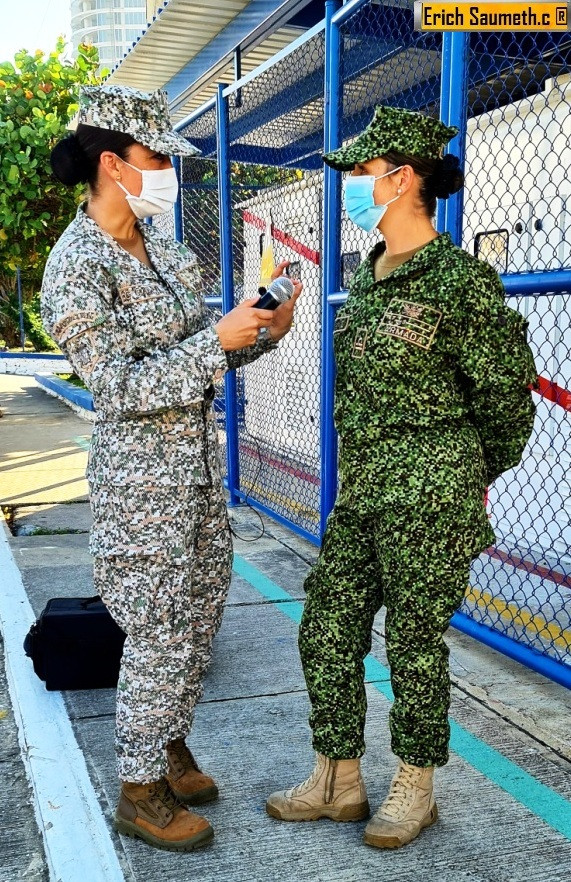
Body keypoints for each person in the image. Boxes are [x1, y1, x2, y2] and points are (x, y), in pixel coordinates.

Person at [266, 105, 537, 848]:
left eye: (359, 172)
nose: (352, 185)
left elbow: (506, 402)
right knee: (326, 629)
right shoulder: (372, 279)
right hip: (363, 491)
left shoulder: (459, 281)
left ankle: (414, 787)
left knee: (415, 643)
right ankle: (336, 780)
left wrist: (455, 474)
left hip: (429, 495)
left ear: (400, 176)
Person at [41, 84, 300, 853]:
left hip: (193, 472)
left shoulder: (161, 247)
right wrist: (217, 341)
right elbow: (118, 389)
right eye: (158, 160)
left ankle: (166, 741)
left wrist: (265, 327)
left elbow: (210, 349)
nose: (168, 175)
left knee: (197, 620)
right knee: (155, 631)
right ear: (115, 165)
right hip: (139, 483)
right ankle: (137, 787)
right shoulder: (73, 268)